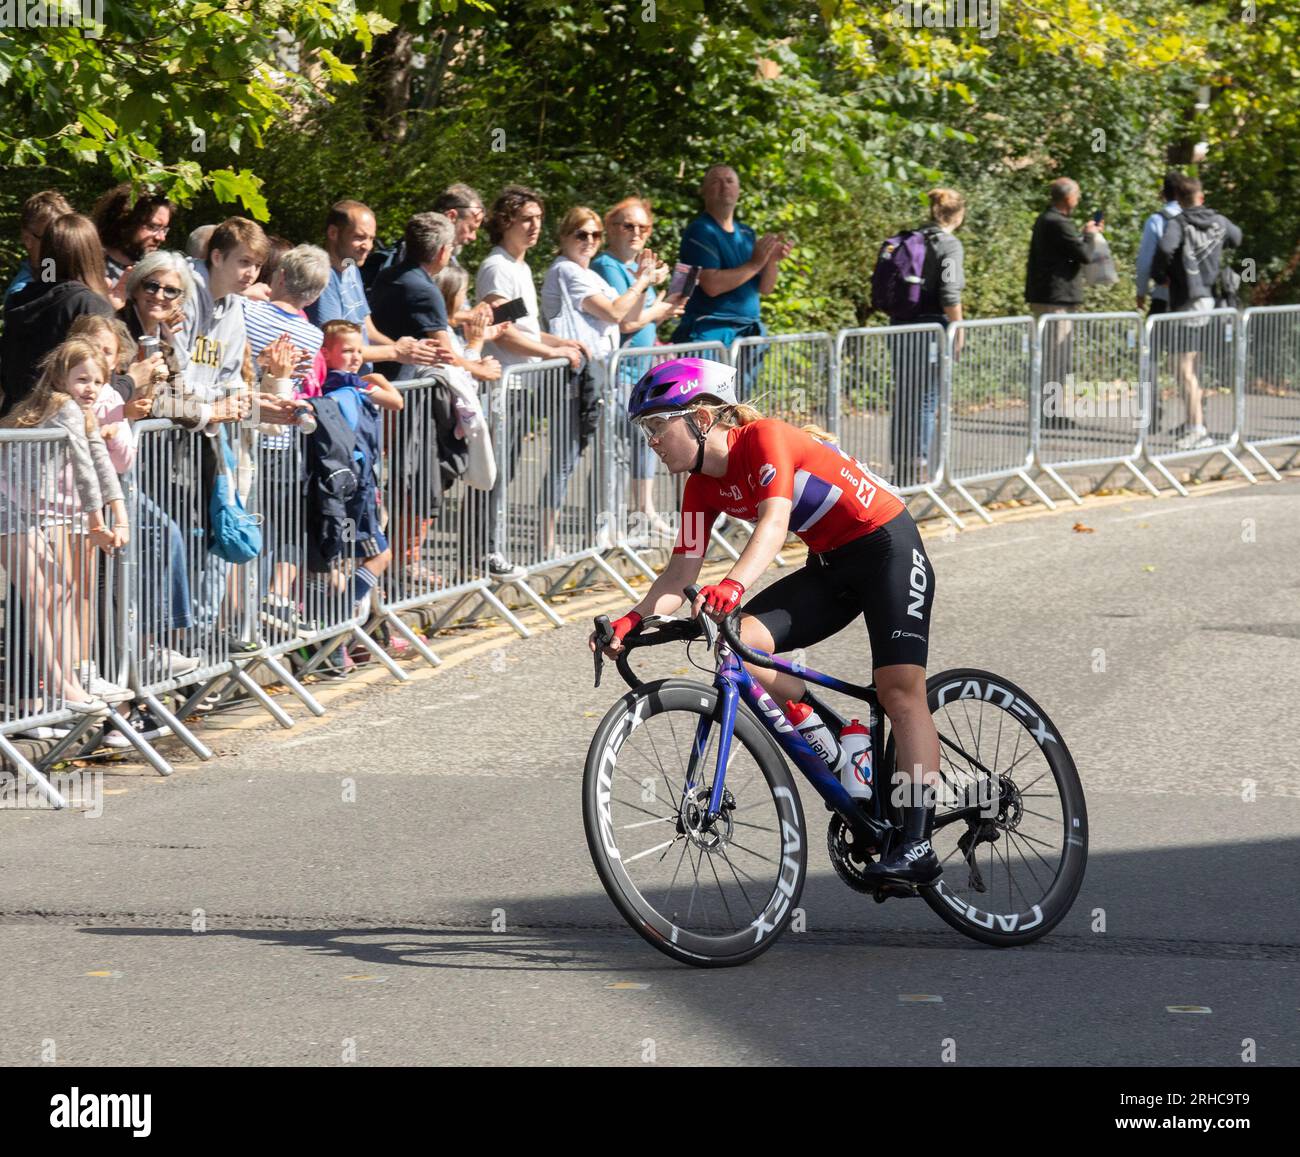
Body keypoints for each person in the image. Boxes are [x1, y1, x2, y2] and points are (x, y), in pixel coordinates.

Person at [590, 357, 943, 886]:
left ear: (702, 418)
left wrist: (732, 585)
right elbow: (681, 569)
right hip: (830, 564)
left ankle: (916, 843)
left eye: (658, 425)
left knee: (898, 690)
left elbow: (774, 523)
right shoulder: (698, 487)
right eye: (646, 429)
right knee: (739, 644)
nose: (652, 441)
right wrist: (632, 620)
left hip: (887, 548)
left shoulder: (765, 439)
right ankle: (843, 741)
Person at [0, 339, 131, 716]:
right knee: (42, 594)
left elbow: (101, 463)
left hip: (26, 508)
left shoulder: (81, 411)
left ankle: (68, 680)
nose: (90, 388)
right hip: (8, 505)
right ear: (60, 378)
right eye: (81, 379)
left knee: (58, 590)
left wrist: (119, 516)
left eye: (98, 381)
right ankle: (59, 685)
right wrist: (98, 522)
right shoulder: (64, 407)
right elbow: (86, 471)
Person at [474, 185, 585, 580]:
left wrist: (562, 342)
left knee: (508, 469)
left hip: (521, 386)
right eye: (527, 219)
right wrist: (552, 353)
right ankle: (486, 552)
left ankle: (492, 548)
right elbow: (502, 332)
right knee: (496, 472)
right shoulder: (497, 267)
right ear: (505, 222)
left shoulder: (519, 267)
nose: (536, 226)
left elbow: (527, 330)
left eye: (539, 218)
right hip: (502, 385)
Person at [539, 206, 658, 557]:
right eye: (581, 234)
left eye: (594, 235)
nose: (589, 242)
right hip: (574, 374)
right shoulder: (566, 270)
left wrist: (642, 284)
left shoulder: (589, 274)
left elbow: (629, 317)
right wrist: (642, 281)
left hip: (597, 373)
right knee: (567, 457)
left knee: (611, 451)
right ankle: (547, 543)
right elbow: (616, 313)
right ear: (564, 237)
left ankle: (607, 530)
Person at [591, 196, 685, 534]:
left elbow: (639, 321)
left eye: (642, 227)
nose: (635, 233)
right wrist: (655, 309)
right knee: (613, 447)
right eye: (627, 225)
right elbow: (626, 322)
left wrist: (663, 308)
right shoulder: (606, 265)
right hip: (618, 372)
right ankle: (607, 520)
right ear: (611, 229)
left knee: (647, 440)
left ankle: (643, 509)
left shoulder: (636, 270)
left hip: (641, 370)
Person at [314, 320, 404, 616]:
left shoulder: (332, 382)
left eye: (359, 351)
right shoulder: (349, 382)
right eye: (347, 351)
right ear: (326, 353)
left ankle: (346, 614)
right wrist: (379, 377)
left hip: (350, 485)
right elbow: (396, 401)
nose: (355, 357)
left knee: (347, 557)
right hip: (357, 491)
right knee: (381, 555)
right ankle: (344, 608)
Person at [1151, 178, 1243, 451]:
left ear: (1178, 199)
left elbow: (1166, 249)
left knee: (1182, 368)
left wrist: (1160, 275)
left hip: (1188, 300)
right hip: (1208, 300)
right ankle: (1196, 424)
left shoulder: (1178, 223)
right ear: (1201, 197)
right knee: (1189, 367)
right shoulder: (1219, 221)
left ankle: (1197, 429)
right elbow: (1237, 238)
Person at [305, 199, 443, 374]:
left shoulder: (351, 269)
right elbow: (335, 348)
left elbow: (368, 331)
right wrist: (395, 351)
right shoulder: (323, 278)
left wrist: (413, 350)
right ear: (333, 233)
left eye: (371, 238)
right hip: (337, 386)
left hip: (359, 381)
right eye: (359, 237)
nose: (367, 246)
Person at [886, 188, 966, 488]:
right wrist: (958, 330)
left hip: (900, 326)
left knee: (904, 397)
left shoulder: (910, 239)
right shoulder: (949, 245)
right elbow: (949, 291)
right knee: (926, 399)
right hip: (932, 329)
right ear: (959, 214)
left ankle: (901, 467)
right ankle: (918, 468)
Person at [2, 213, 115, 417]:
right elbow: (100, 381)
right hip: (62, 427)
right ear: (92, 255)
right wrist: (133, 381)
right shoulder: (89, 305)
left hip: (15, 424)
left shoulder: (18, 299)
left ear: (45, 252)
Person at [672, 164, 792, 349]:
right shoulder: (700, 231)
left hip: (748, 334)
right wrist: (756, 263)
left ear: (738, 190)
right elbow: (712, 285)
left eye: (729, 181)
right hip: (711, 333)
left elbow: (765, 288)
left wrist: (771, 261)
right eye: (715, 181)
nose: (724, 186)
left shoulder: (746, 233)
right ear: (703, 191)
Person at [1024, 177, 1102, 429]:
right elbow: (1085, 255)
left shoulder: (1049, 220)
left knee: (1055, 356)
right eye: (1077, 195)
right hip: (1055, 299)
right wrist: (1089, 236)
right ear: (1068, 198)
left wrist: (1082, 234)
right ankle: (1050, 414)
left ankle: (1049, 411)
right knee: (1056, 356)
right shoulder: (1057, 223)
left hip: (1050, 297)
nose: (1078, 199)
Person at [90, 183, 173, 302]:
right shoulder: (90, 267)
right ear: (126, 221)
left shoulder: (151, 274)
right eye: (153, 227)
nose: (161, 237)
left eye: (164, 229)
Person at [6, 189, 73, 303]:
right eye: (51, 238)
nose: (62, 246)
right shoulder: (22, 295)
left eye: (67, 238)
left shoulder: (58, 273)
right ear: (28, 239)